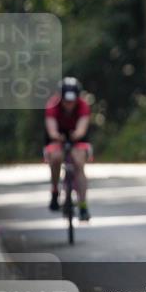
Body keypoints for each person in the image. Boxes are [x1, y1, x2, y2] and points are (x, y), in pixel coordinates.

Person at [44, 77, 93, 221]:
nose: (69, 105)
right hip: (57, 136)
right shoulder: (52, 105)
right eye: (66, 101)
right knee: (56, 157)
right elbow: (51, 129)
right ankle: (54, 192)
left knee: (79, 163)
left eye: (72, 101)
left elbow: (82, 129)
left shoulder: (83, 105)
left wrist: (75, 135)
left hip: (77, 136)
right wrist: (58, 137)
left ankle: (83, 205)